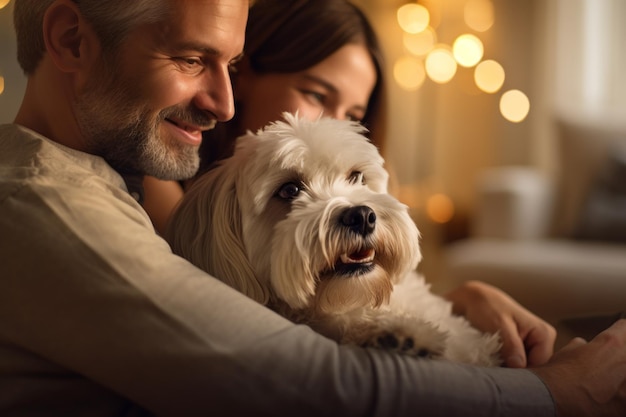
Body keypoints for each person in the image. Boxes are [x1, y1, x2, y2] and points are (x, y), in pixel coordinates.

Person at [1, 1, 626, 416]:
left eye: (230, 63)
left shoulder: (113, 178)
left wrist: (456, 300)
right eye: (192, 59)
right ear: (71, 40)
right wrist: (550, 394)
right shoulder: (45, 202)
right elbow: (295, 376)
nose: (221, 101)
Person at [143, 0, 555, 369]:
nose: (334, 125)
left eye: (354, 112)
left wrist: (460, 301)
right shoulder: (169, 186)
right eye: (318, 94)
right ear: (242, 71)